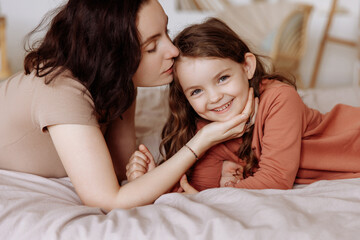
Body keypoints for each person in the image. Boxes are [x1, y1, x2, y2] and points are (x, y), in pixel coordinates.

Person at [0, 1, 255, 211]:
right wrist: (202, 141)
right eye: (152, 47)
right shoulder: (61, 91)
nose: (173, 50)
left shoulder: (120, 84)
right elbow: (108, 200)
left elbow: (120, 168)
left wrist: (143, 175)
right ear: (113, 56)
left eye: (166, 32)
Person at [127, 17, 360, 192]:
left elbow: (276, 179)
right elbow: (200, 188)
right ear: (185, 98)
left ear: (247, 66)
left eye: (222, 78)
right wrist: (155, 179)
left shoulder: (279, 99)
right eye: (197, 91)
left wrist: (212, 196)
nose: (215, 97)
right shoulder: (209, 130)